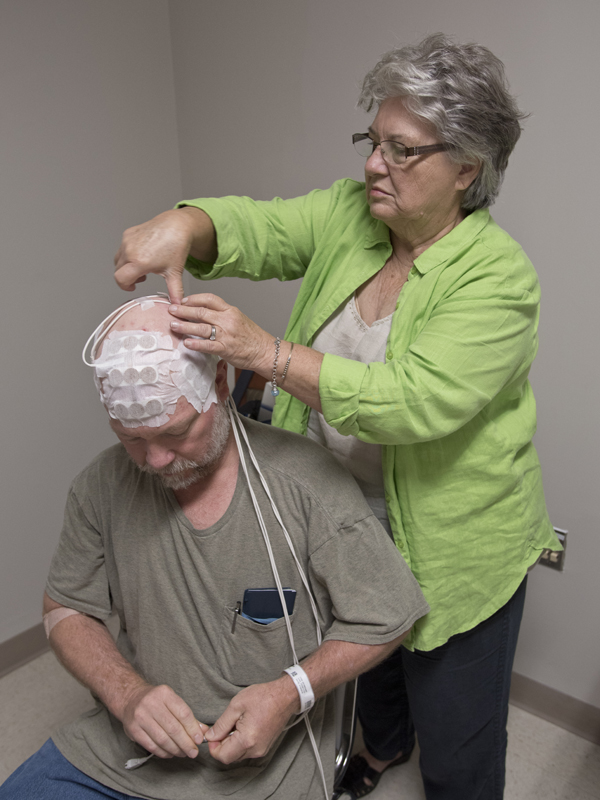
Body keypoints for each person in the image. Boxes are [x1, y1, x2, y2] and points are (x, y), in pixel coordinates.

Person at [112, 33, 561, 800]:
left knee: (458, 738)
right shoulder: (352, 216)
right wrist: (187, 223)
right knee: (365, 656)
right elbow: (261, 226)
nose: (373, 165)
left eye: (402, 150)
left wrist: (262, 351)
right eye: (372, 140)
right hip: (340, 514)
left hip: (458, 543)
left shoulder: (499, 279)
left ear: (466, 168)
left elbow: (413, 401)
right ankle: (382, 749)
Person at [0, 298, 429, 800]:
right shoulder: (100, 486)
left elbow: (389, 614)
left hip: (264, 768)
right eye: (131, 438)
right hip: (125, 755)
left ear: (220, 384)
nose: (156, 459)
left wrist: (292, 692)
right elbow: (65, 608)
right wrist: (126, 694)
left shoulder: (306, 485)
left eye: (175, 432)